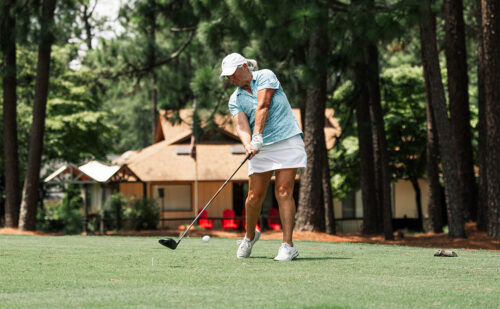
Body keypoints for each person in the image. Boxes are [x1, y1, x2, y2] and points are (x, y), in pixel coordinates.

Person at [219, 53, 307, 261]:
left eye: (233, 74)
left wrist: (257, 135)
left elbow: (263, 105)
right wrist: (248, 144)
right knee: (253, 197)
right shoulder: (235, 99)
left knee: (284, 191)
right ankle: (250, 237)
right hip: (261, 148)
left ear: (243, 67)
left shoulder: (266, 76)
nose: (231, 79)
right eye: (227, 77)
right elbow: (241, 125)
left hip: (286, 140)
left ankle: (288, 245)